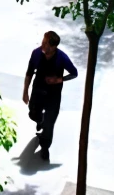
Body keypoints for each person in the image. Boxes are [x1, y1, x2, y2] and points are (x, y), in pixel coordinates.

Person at [22, 31, 79, 160]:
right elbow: (29, 72)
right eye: (43, 42)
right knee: (33, 113)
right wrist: (25, 91)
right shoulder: (36, 53)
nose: (43, 46)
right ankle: (40, 119)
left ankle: (45, 147)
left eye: (46, 44)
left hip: (53, 93)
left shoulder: (62, 58)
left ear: (54, 47)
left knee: (50, 123)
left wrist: (59, 80)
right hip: (38, 89)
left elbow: (74, 73)